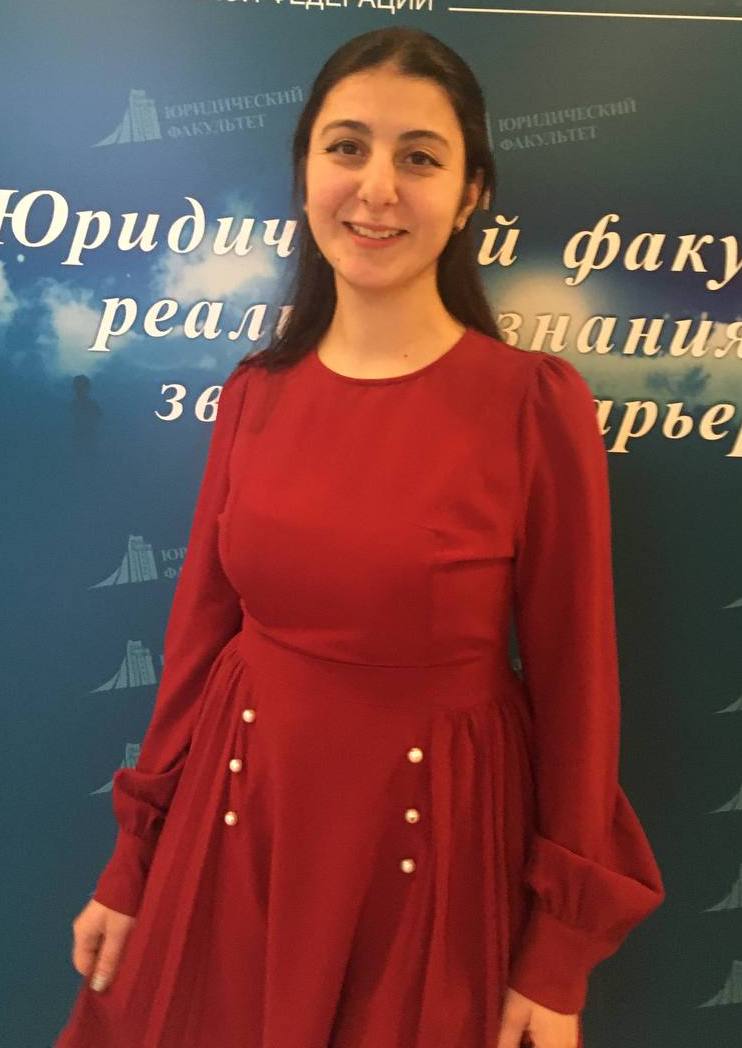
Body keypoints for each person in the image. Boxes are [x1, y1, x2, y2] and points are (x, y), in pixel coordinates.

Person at [56, 25, 665, 1048]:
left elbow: (577, 694)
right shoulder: (253, 395)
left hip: (432, 853)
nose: (376, 188)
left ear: (470, 195)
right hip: (235, 831)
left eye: (418, 157)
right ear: (305, 171)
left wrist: (558, 954)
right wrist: (133, 863)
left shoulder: (532, 405)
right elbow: (197, 643)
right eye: (347, 147)